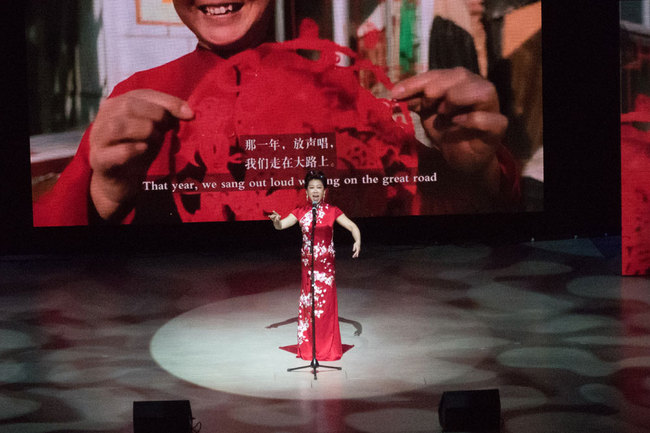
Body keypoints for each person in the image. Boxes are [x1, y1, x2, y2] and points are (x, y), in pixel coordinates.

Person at [33, 0, 518, 226]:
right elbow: (51, 255)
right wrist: (103, 194)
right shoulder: (137, 99)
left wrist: (474, 173)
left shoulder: (351, 87)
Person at [269, 170, 360, 361]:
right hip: (308, 269)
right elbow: (282, 225)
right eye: (312, 188)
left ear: (325, 191)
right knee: (309, 306)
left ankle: (327, 347)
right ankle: (310, 347)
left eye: (319, 187)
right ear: (306, 192)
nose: (315, 191)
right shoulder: (300, 212)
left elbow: (352, 226)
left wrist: (357, 241)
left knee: (325, 308)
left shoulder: (333, 210)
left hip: (325, 270)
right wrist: (277, 221)